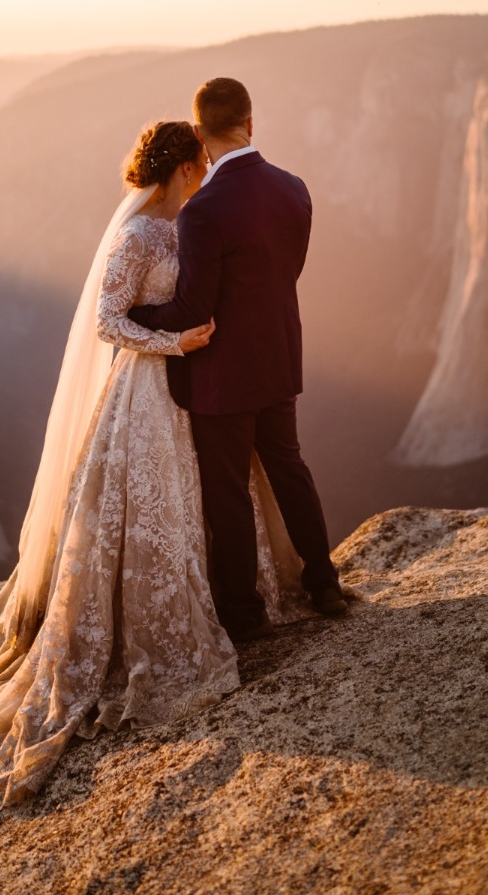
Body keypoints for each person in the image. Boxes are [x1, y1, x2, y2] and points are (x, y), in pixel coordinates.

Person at [0, 120, 306, 817]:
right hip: (146, 393)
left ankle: (231, 601)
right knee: (156, 505)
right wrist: (173, 341)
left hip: (198, 386)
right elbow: (108, 320)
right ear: (187, 167)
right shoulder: (137, 236)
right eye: (202, 164)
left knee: (210, 494)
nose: (208, 173)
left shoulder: (189, 223)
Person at [129, 79, 345, 639]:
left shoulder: (203, 210)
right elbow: (283, 275)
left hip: (220, 375)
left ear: (199, 136)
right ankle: (324, 583)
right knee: (290, 470)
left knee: (227, 494)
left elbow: (192, 307)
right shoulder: (294, 189)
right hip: (278, 358)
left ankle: (244, 616)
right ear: (251, 124)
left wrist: (140, 316)